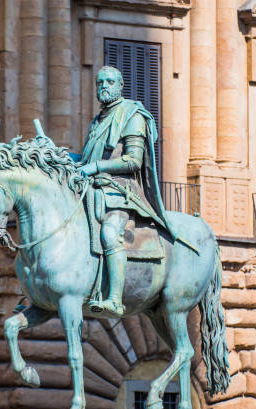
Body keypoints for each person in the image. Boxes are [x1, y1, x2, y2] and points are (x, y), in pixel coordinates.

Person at [77, 66, 177, 317]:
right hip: (92, 190)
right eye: (100, 82)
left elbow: (133, 160)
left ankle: (114, 299)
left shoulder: (133, 115)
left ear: (121, 85)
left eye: (110, 82)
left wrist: (96, 166)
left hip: (121, 193)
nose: (104, 86)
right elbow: (87, 160)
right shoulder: (97, 121)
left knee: (110, 233)